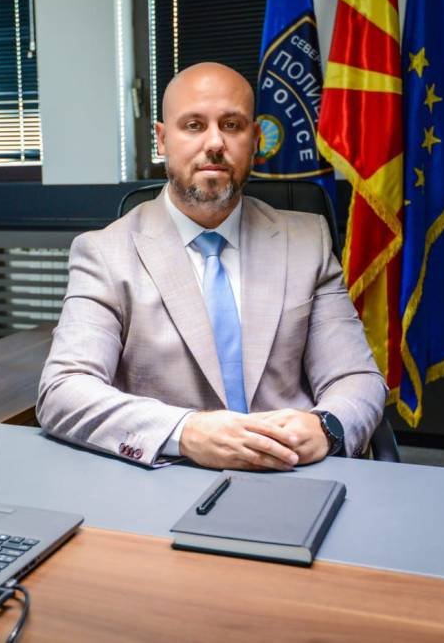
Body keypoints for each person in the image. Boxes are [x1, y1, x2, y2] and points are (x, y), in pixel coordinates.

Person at [37, 62, 386, 470]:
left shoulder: (308, 242)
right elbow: (64, 390)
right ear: (163, 140)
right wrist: (185, 432)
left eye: (232, 125)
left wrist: (325, 426)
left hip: (294, 467)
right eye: (194, 125)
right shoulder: (104, 253)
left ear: (255, 140)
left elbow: (356, 378)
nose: (215, 142)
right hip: (169, 473)